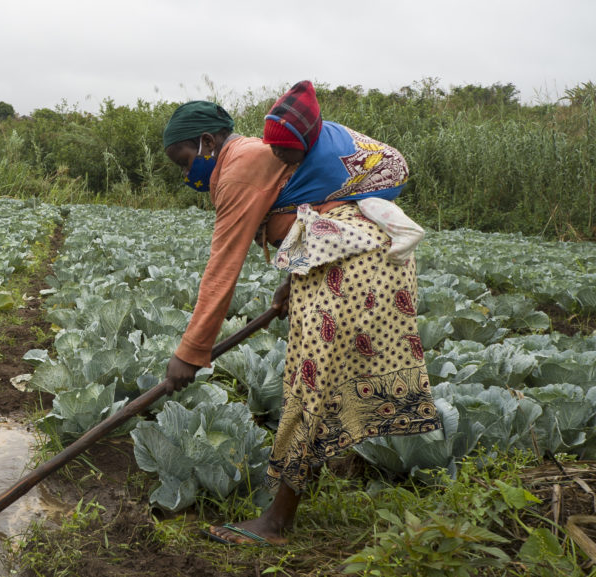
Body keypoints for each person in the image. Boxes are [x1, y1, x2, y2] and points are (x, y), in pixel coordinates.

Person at [161, 81, 441, 545]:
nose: (187, 173)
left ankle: (276, 524)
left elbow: (221, 268)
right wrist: (290, 284)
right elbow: (313, 208)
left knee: (309, 382)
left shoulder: (236, 171)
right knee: (320, 379)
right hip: (364, 259)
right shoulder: (258, 156)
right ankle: (325, 467)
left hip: (348, 266)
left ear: (208, 143)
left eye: (186, 161)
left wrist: (189, 353)